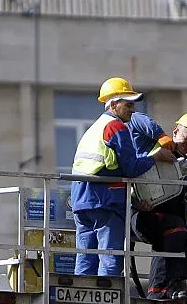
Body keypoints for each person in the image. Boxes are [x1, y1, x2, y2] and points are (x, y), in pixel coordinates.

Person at [70, 77, 176, 277]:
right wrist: (157, 156)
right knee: (110, 259)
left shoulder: (95, 128)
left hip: (81, 200)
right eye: (128, 104)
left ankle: (82, 303)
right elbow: (131, 167)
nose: (133, 110)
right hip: (106, 201)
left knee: (86, 259)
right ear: (113, 104)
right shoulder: (116, 128)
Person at [127, 112, 187, 300]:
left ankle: (164, 291)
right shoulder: (150, 148)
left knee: (173, 233)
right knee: (173, 229)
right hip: (141, 217)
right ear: (175, 131)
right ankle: (164, 289)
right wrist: (160, 137)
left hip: (169, 227)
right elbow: (133, 118)